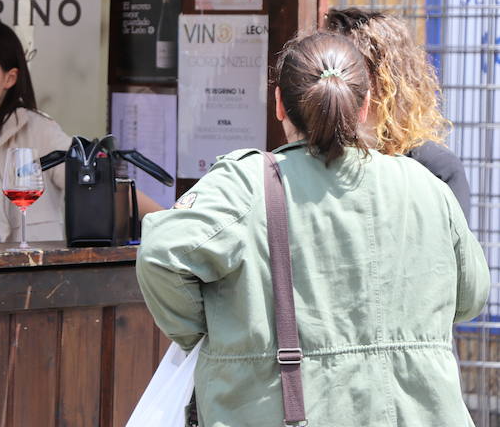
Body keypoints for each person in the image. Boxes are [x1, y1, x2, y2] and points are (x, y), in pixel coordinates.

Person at [136, 32, 489, 426]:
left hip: (276, 408)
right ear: (365, 106)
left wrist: (210, 330)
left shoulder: (244, 184)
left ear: (279, 105)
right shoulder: (426, 186)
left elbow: (161, 253)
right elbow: (470, 296)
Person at [0, 20, 163, 244]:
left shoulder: (34, 130)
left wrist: (168, 220)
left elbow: (95, 182)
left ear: (9, 78)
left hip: (11, 273)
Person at [322, 7, 471, 220]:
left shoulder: (435, 169)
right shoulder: (316, 159)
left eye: (347, 73)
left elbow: (454, 249)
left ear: (385, 83)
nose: (333, 87)